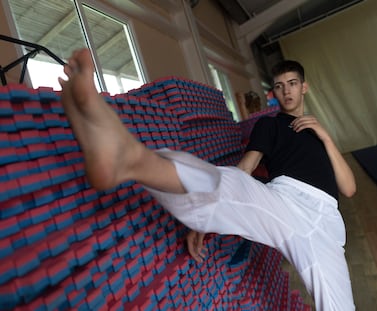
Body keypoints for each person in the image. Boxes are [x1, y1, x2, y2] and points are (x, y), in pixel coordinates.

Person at [59, 49, 356, 311]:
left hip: (327, 223)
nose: (286, 91)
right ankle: (129, 159)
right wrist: (209, 219)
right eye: (279, 87)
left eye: (292, 84)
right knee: (228, 183)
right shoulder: (269, 125)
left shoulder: (318, 135)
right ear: (273, 93)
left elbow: (349, 188)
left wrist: (326, 137)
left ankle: (126, 157)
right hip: (286, 202)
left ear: (304, 87)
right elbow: (245, 170)